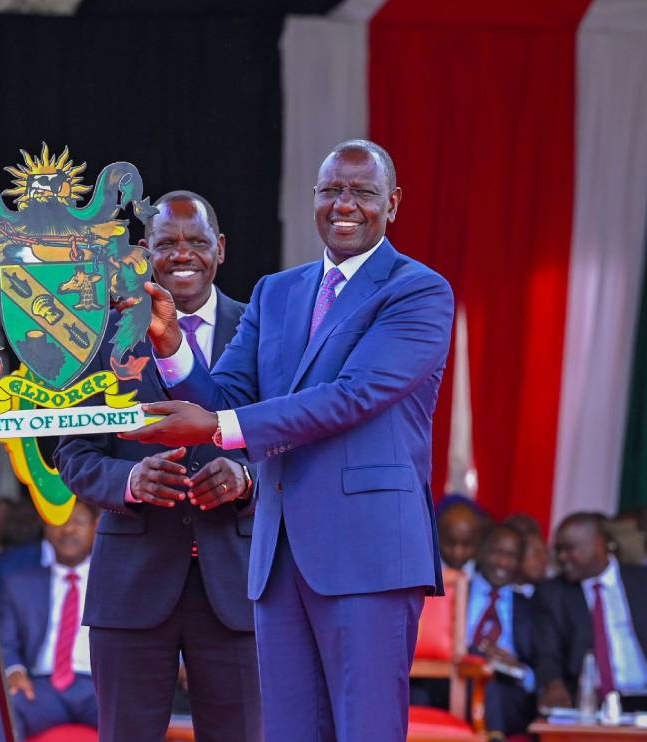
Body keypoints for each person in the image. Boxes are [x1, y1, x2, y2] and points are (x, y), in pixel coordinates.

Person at [123, 139, 453, 740]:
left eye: (362, 192)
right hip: (279, 558)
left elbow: (353, 396)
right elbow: (223, 395)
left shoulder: (418, 291)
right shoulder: (278, 292)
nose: (343, 204)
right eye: (331, 191)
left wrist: (221, 429)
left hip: (369, 555)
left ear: (393, 204)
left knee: (366, 730)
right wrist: (172, 345)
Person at [55, 191, 260, 742]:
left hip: (239, 586)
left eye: (196, 241)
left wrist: (248, 479)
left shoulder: (264, 329)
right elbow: (72, 452)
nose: (182, 254)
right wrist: (128, 480)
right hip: (132, 583)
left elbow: (291, 440)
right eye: (167, 243)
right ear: (144, 252)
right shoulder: (99, 334)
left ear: (220, 249)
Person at [0, 500, 100, 742]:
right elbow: (5, 642)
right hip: (42, 689)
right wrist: (13, 672)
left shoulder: (115, 583)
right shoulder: (18, 584)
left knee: (138, 707)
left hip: (99, 689)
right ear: (47, 527)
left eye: (78, 522)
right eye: (60, 521)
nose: (68, 529)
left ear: (96, 528)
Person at [533, 512, 647, 708]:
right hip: (586, 702)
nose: (562, 557)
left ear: (598, 544)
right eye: (558, 551)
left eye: (569, 549)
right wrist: (554, 685)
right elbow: (547, 652)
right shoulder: (553, 593)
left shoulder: (641, 581)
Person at [466, 524, 537, 735]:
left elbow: (541, 670)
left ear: (521, 562)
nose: (503, 563)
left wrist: (519, 670)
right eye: (497, 552)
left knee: (493, 684)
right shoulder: (457, 592)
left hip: (508, 695)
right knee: (479, 662)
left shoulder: (531, 606)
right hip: (457, 684)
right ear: (481, 551)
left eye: (512, 556)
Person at [438, 496, 488, 574]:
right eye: (450, 543)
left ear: (478, 542)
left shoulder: (485, 574)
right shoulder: (425, 573)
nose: (457, 553)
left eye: (467, 545)